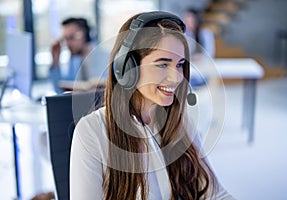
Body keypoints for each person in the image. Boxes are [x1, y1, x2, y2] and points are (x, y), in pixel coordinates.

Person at [70, 11, 234, 199]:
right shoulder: (92, 131)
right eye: (162, 64)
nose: (176, 77)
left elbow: (215, 194)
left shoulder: (180, 121)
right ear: (128, 68)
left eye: (180, 64)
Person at [49, 17, 108, 93]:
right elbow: (60, 91)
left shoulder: (104, 57)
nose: (68, 44)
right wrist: (55, 61)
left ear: (87, 35)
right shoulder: (74, 61)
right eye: (65, 39)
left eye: (72, 37)